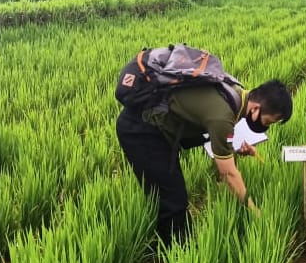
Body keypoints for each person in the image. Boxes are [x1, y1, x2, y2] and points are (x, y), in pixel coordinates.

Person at [115, 79, 293, 247]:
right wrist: (254, 210)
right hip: (141, 131)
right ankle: (174, 254)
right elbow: (228, 172)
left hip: (160, 130)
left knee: (172, 192)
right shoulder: (223, 114)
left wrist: (234, 149)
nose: (266, 126)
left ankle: (179, 244)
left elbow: (222, 136)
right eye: (268, 121)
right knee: (172, 198)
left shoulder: (235, 93)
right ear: (256, 109)